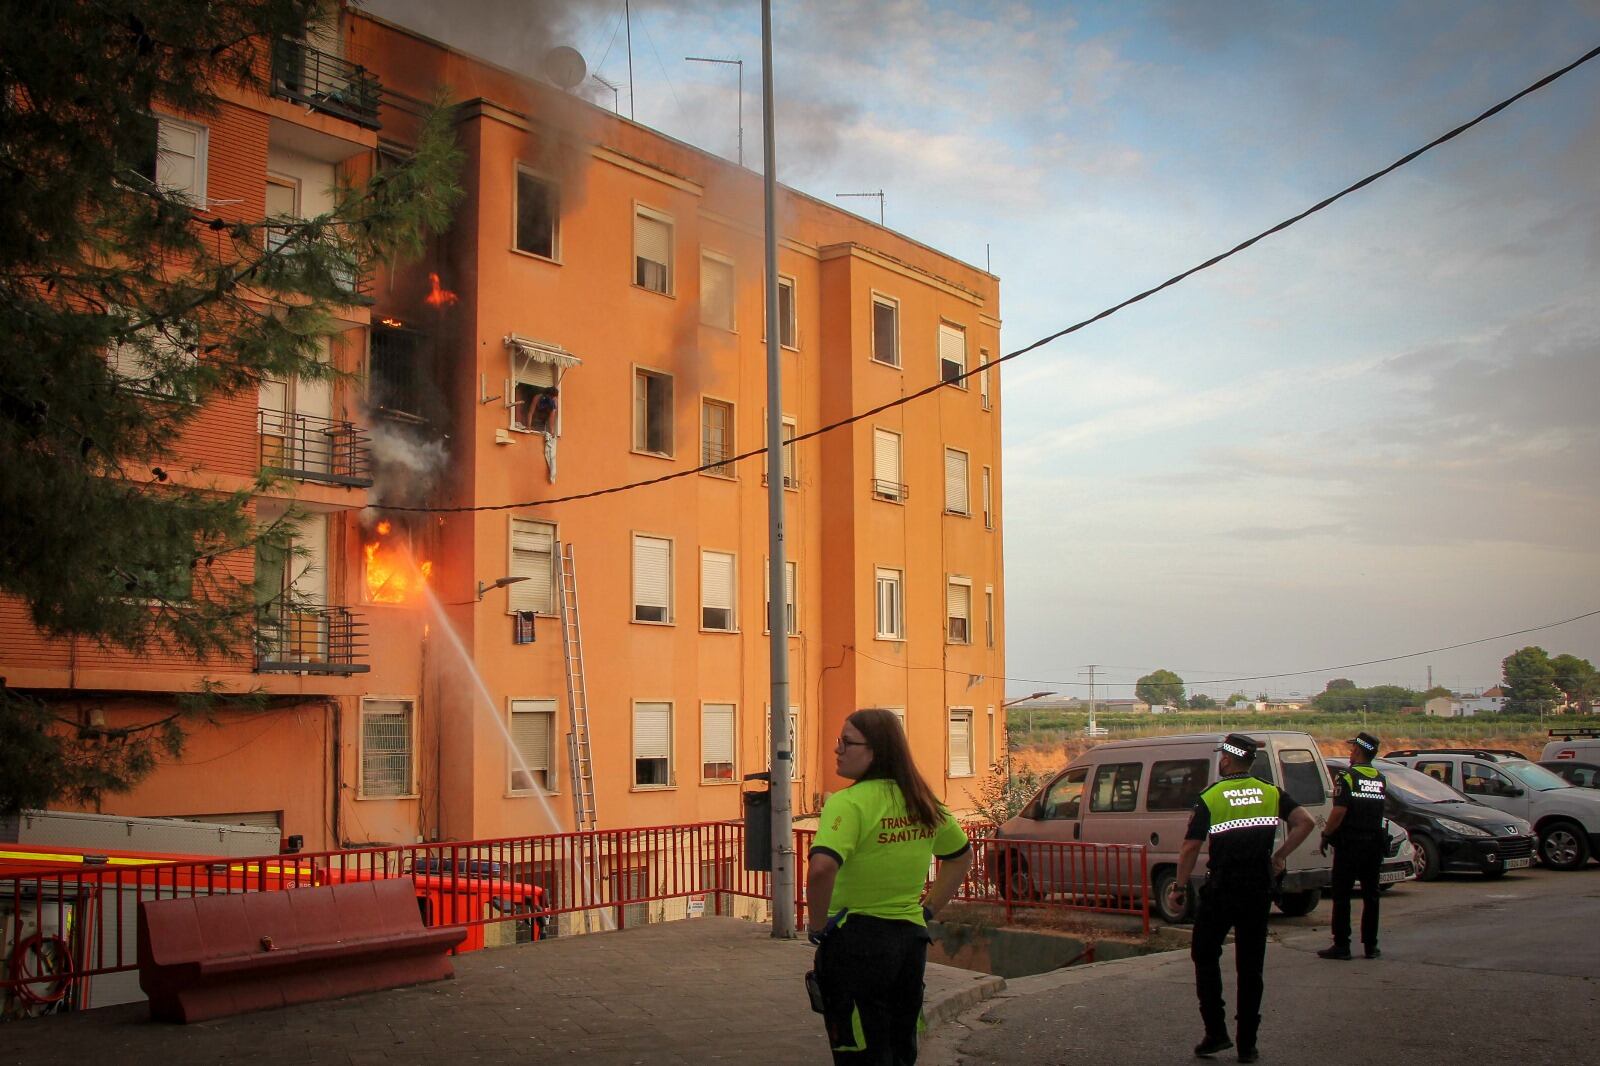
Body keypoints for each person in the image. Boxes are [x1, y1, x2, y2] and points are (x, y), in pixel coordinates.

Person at [806, 708, 973, 1065]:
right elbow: (960, 857)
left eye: (847, 742)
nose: (837, 749)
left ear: (876, 750)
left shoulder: (847, 803)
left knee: (859, 1049)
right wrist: (928, 909)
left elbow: (821, 868)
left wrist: (817, 925)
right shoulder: (921, 800)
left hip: (855, 943)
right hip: (909, 944)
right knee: (900, 1046)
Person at [1175, 733, 1315, 1063]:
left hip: (1223, 889)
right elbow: (1305, 822)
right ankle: (1247, 1045)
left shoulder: (1212, 796)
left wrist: (1179, 887)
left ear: (1226, 759)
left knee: (1204, 953)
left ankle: (1216, 1032)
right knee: (1251, 967)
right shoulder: (1270, 792)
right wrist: (1279, 856)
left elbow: (1191, 847)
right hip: (1258, 890)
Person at [1318, 731, 1388, 961]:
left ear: (1358, 750)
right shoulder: (1380, 778)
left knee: (1342, 895)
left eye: (1352, 749)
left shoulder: (1347, 777)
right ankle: (1371, 946)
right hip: (1373, 844)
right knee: (1371, 896)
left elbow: (1339, 811)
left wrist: (1326, 834)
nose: (1350, 752)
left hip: (1350, 845)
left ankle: (1342, 945)